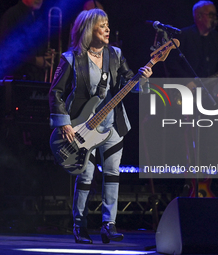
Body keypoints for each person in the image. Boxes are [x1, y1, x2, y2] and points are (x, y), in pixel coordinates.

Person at [48, 9, 152, 244]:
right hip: (82, 125)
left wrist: (143, 80)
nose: (107, 29)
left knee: (113, 173)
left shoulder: (115, 55)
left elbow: (129, 84)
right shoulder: (71, 59)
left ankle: (109, 224)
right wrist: (64, 123)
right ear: (88, 30)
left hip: (112, 123)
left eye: (108, 25)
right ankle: (79, 225)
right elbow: (55, 93)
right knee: (86, 174)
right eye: (101, 25)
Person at [165, 1, 218, 169]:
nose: (214, 18)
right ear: (199, 16)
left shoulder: (217, 38)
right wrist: (188, 81)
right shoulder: (183, 36)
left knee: (210, 136)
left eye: (215, 15)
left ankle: (208, 172)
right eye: (210, 14)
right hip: (186, 93)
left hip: (208, 94)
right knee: (188, 134)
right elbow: (171, 64)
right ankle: (188, 172)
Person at [0, 0, 52, 81]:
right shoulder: (12, 15)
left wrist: (46, 54)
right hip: (17, 80)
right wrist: (35, 60)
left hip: (36, 80)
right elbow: (8, 50)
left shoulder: (38, 16)